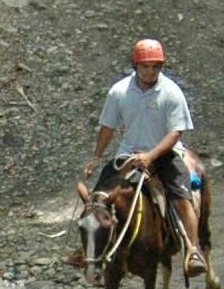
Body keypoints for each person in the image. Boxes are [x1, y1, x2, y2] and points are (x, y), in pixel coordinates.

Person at [79, 38, 206, 274]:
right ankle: (90, 251)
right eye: (146, 66)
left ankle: (193, 249)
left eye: (156, 66)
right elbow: (108, 126)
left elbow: (176, 132)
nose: (151, 71)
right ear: (135, 66)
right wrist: (96, 157)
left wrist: (151, 156)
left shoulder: (171, 92)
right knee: (96, 200)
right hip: (127, 154)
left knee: (180, 195)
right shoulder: (119, 92)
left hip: (164, 154)